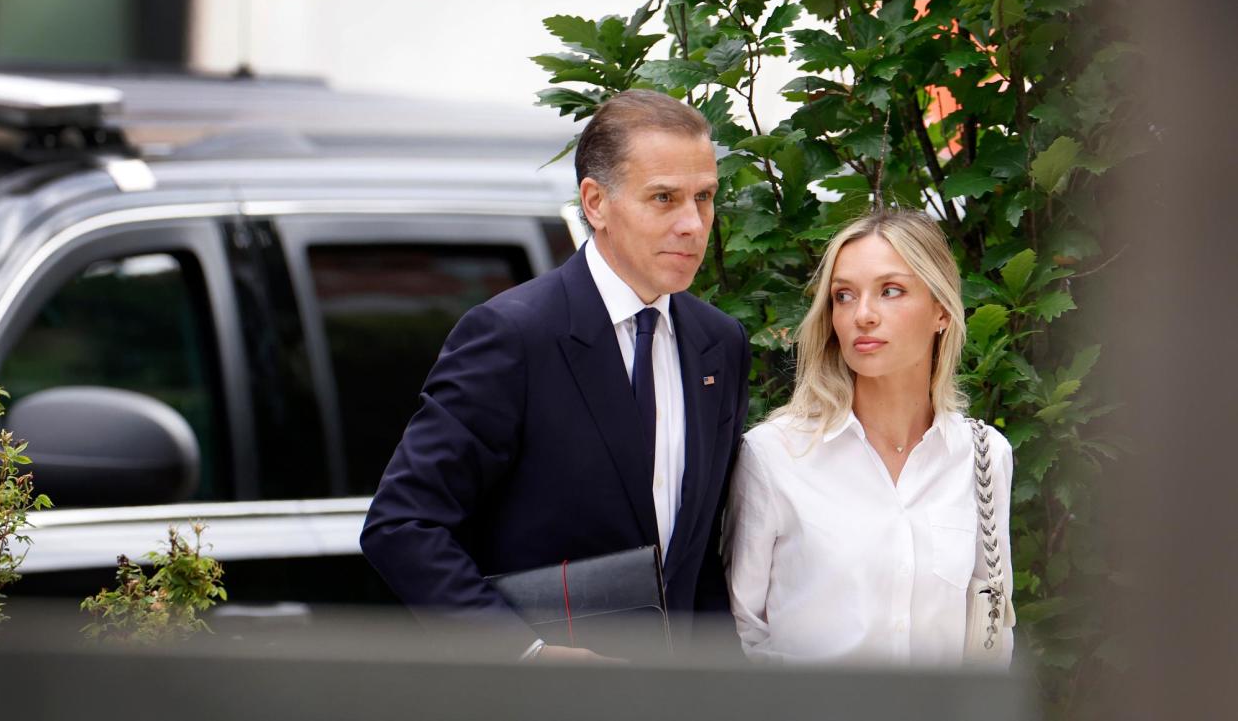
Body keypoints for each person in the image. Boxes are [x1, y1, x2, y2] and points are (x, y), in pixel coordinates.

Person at [361, 89, 750, 661]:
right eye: (664, 198)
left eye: (705, 197)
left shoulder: (718, 343)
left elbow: (701, 555)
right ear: (595, 202)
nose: (693, 224)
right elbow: (402, 525)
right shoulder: (512, 335)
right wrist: (527, 658)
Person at [724, 209, 1014, 666]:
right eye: (844, 296)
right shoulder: (775, 454)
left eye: (890, 291)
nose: (863, 315)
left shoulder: (983, 456)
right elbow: (743, 633)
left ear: (941, 309)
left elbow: (990, 638)